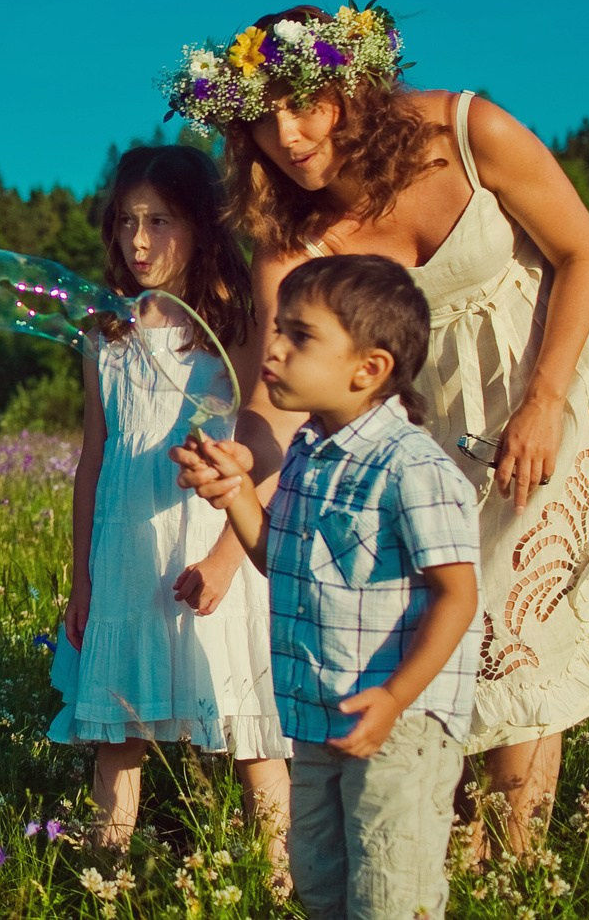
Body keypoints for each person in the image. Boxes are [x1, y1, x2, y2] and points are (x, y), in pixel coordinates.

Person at [160, 3, 589, 853]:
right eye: (264, 118)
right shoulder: (292, 242)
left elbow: (585, 252)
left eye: (305, 101)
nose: (289, 132)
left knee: (514, 617)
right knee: (449, 612)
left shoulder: (467, 130)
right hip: (424, 426)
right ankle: (460, 841)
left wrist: (545, 399)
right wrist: (242, 457)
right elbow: (276, 399)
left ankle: (514, 850)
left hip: (547, 378)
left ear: (351, 85)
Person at [176, 254, 481, 920]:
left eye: (300, 335)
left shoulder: (413, 466)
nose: (274, 347)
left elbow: (458, 594)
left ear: (367, 368)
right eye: (276, 328)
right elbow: (278, 560)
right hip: (314, 719)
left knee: (388, 898)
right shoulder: (309, 453)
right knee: (320, 887)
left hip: (396, 724)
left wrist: (396, 697)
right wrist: (234, 495)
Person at [47, 146, 290, 854]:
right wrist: (83, 578)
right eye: (126, 221)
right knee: (117, 729)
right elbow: (94, 461)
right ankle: (105, 868)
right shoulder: (106, 333)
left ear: (203, 224)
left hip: (212, 544)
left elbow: (263, 447)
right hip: (126, 552)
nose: (139, 240)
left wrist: (225, 558)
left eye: (160, 220)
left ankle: (276, 875)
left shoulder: (234, 327)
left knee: (251, 726)